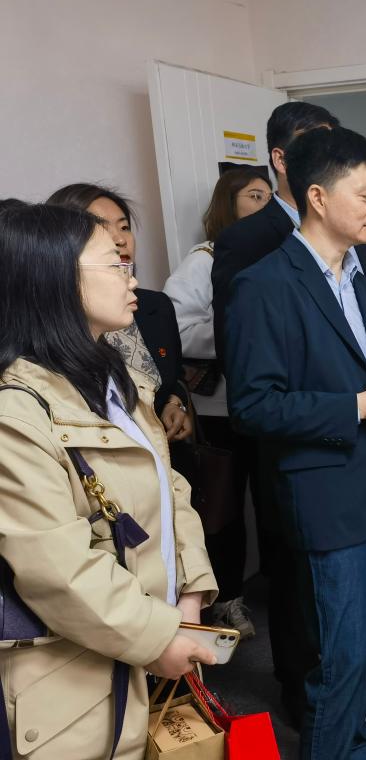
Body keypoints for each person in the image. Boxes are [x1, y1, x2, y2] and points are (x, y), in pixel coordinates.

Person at [212, 103, 366, 726]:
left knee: (359, 647)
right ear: (318, 196)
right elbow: (253, 405)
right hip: (321, 493)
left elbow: (363, 372)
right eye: (365, 195)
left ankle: (354, 740)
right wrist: (362, 405)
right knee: (335, 656)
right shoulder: (264, 284)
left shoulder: (360, 275)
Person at [0, 204, 218, 759]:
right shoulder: (16, 414)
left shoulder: (119, 381)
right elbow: (58, 569)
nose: (133, 279)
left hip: (150, 639)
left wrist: (190, 595)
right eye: (115, 264)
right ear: (57, 282)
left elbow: (170, 489)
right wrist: (160, 636)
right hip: (75, 683)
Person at [162, 165, 273, 639]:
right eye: (254, 196)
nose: (264, 205)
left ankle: (277, 592)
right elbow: (177, 327)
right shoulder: (204, 259)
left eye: (269, 197)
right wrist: (238, 335)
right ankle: (226, 601)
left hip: (266, 406)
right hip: (219, 412)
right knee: (223, 510)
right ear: (230, 203)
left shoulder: (276, 255)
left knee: (272, 504)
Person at [47, 184, 193, 444]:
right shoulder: (49, 326)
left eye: (124, 227)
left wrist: (174, 403)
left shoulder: (155, 306)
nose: (120, 239)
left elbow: (174, 375)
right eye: (101, 228)